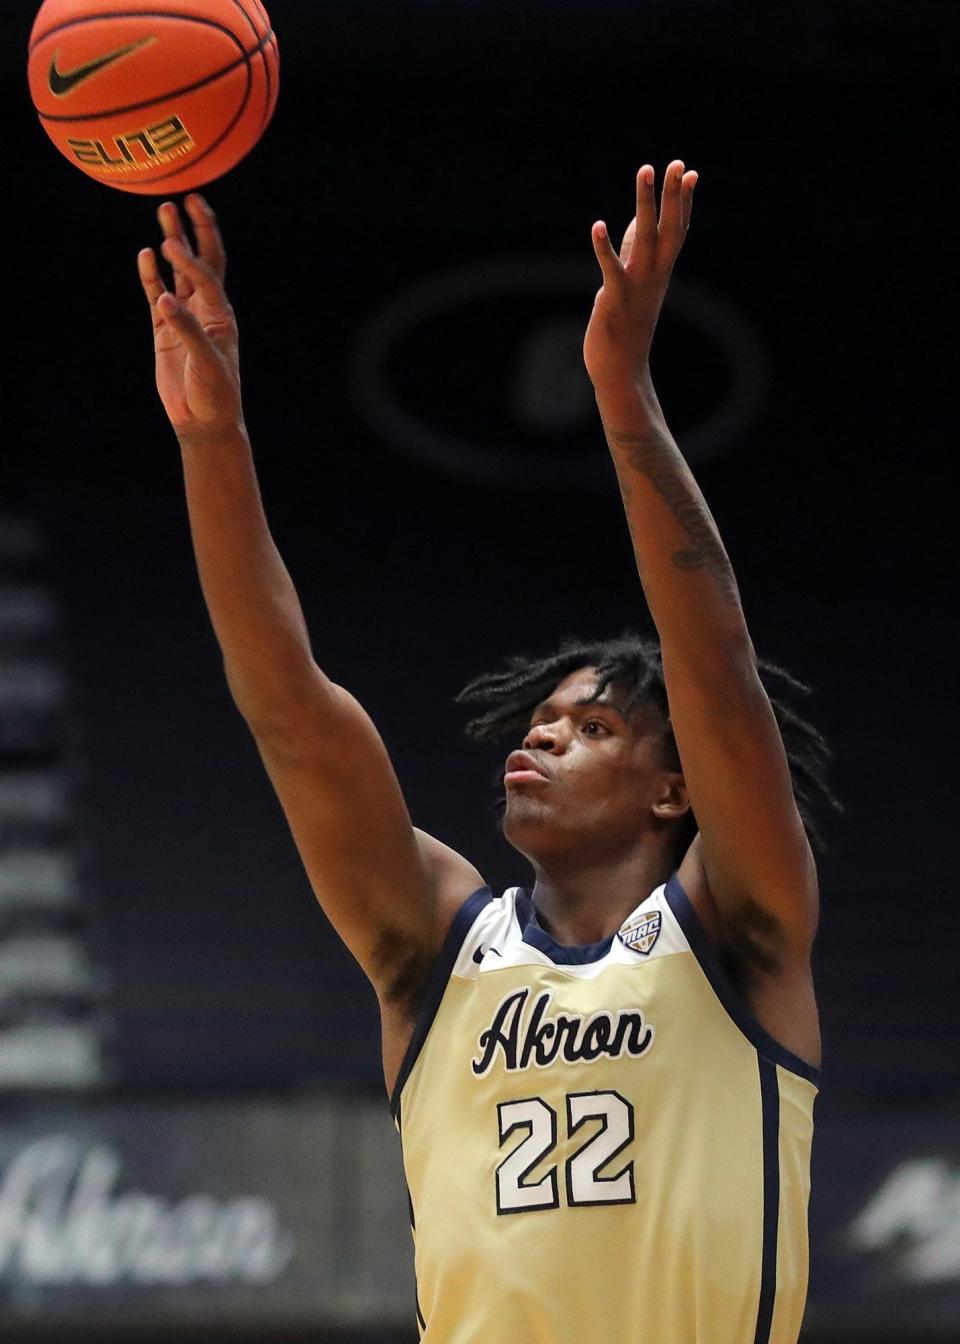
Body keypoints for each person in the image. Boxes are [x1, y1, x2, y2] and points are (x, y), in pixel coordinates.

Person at [137, 161, 835, 1343]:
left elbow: (711, 650)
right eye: (541, 721)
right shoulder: (440, 942)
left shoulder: (740, 921)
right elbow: (289, 711)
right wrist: (215, 438)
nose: (542, 733)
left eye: (593, 726)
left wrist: (624, 393)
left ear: (677, 788)